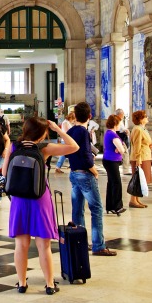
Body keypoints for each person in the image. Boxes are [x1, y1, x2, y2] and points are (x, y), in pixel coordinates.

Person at [4, 116, 80, 294]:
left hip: (19, 200)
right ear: (42, 132)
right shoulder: (44, 148)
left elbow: (6, 172)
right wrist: (59, 129)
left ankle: (22, 283)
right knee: (43, 245)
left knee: (21, 244)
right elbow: (74, 147)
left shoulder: (14, 146)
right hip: (40, 198)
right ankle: (50, 285)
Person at [66, 103, 117, 256]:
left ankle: (79, 242)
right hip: (85, 174)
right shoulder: (83, 132)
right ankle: (98, 245)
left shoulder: (71, 130)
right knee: (96, 209)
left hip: (74, 172)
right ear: (89, 116)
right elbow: (87, 157)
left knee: (78, 209)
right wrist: (94, 170)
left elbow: (69, 152)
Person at [101, 115, 127, 215]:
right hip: (111, 161)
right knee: (117, 183)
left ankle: (110, 206)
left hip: (108, 160)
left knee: (111, 183)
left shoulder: (108, 133)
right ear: (116, 123)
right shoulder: (113, 135)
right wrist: (120, 150)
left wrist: (118, 149)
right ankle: (117, 206)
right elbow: (122, 150)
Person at [129, 110, 152, 209]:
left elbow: (144, 142)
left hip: (145, 156)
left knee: (142, 179)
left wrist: (149, 145)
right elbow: (137, 145)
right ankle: (132, 200)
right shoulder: (138, 129)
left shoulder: (143, 129)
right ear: (140, 119)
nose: (147, 118)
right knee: (137, 179)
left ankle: (137, 199)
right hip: (140, 158)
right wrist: (138, 159)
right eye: (145, 116)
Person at [54, 108, 75, 174]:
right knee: (64, 154)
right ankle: (58, 167)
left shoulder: (67, 122)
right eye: (73, 119)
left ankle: (71, 165)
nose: (73, 121)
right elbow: (67, 132)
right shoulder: (66, 122)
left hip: (67, 140)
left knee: (70, 153)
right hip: (66, 140)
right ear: (71, 118)